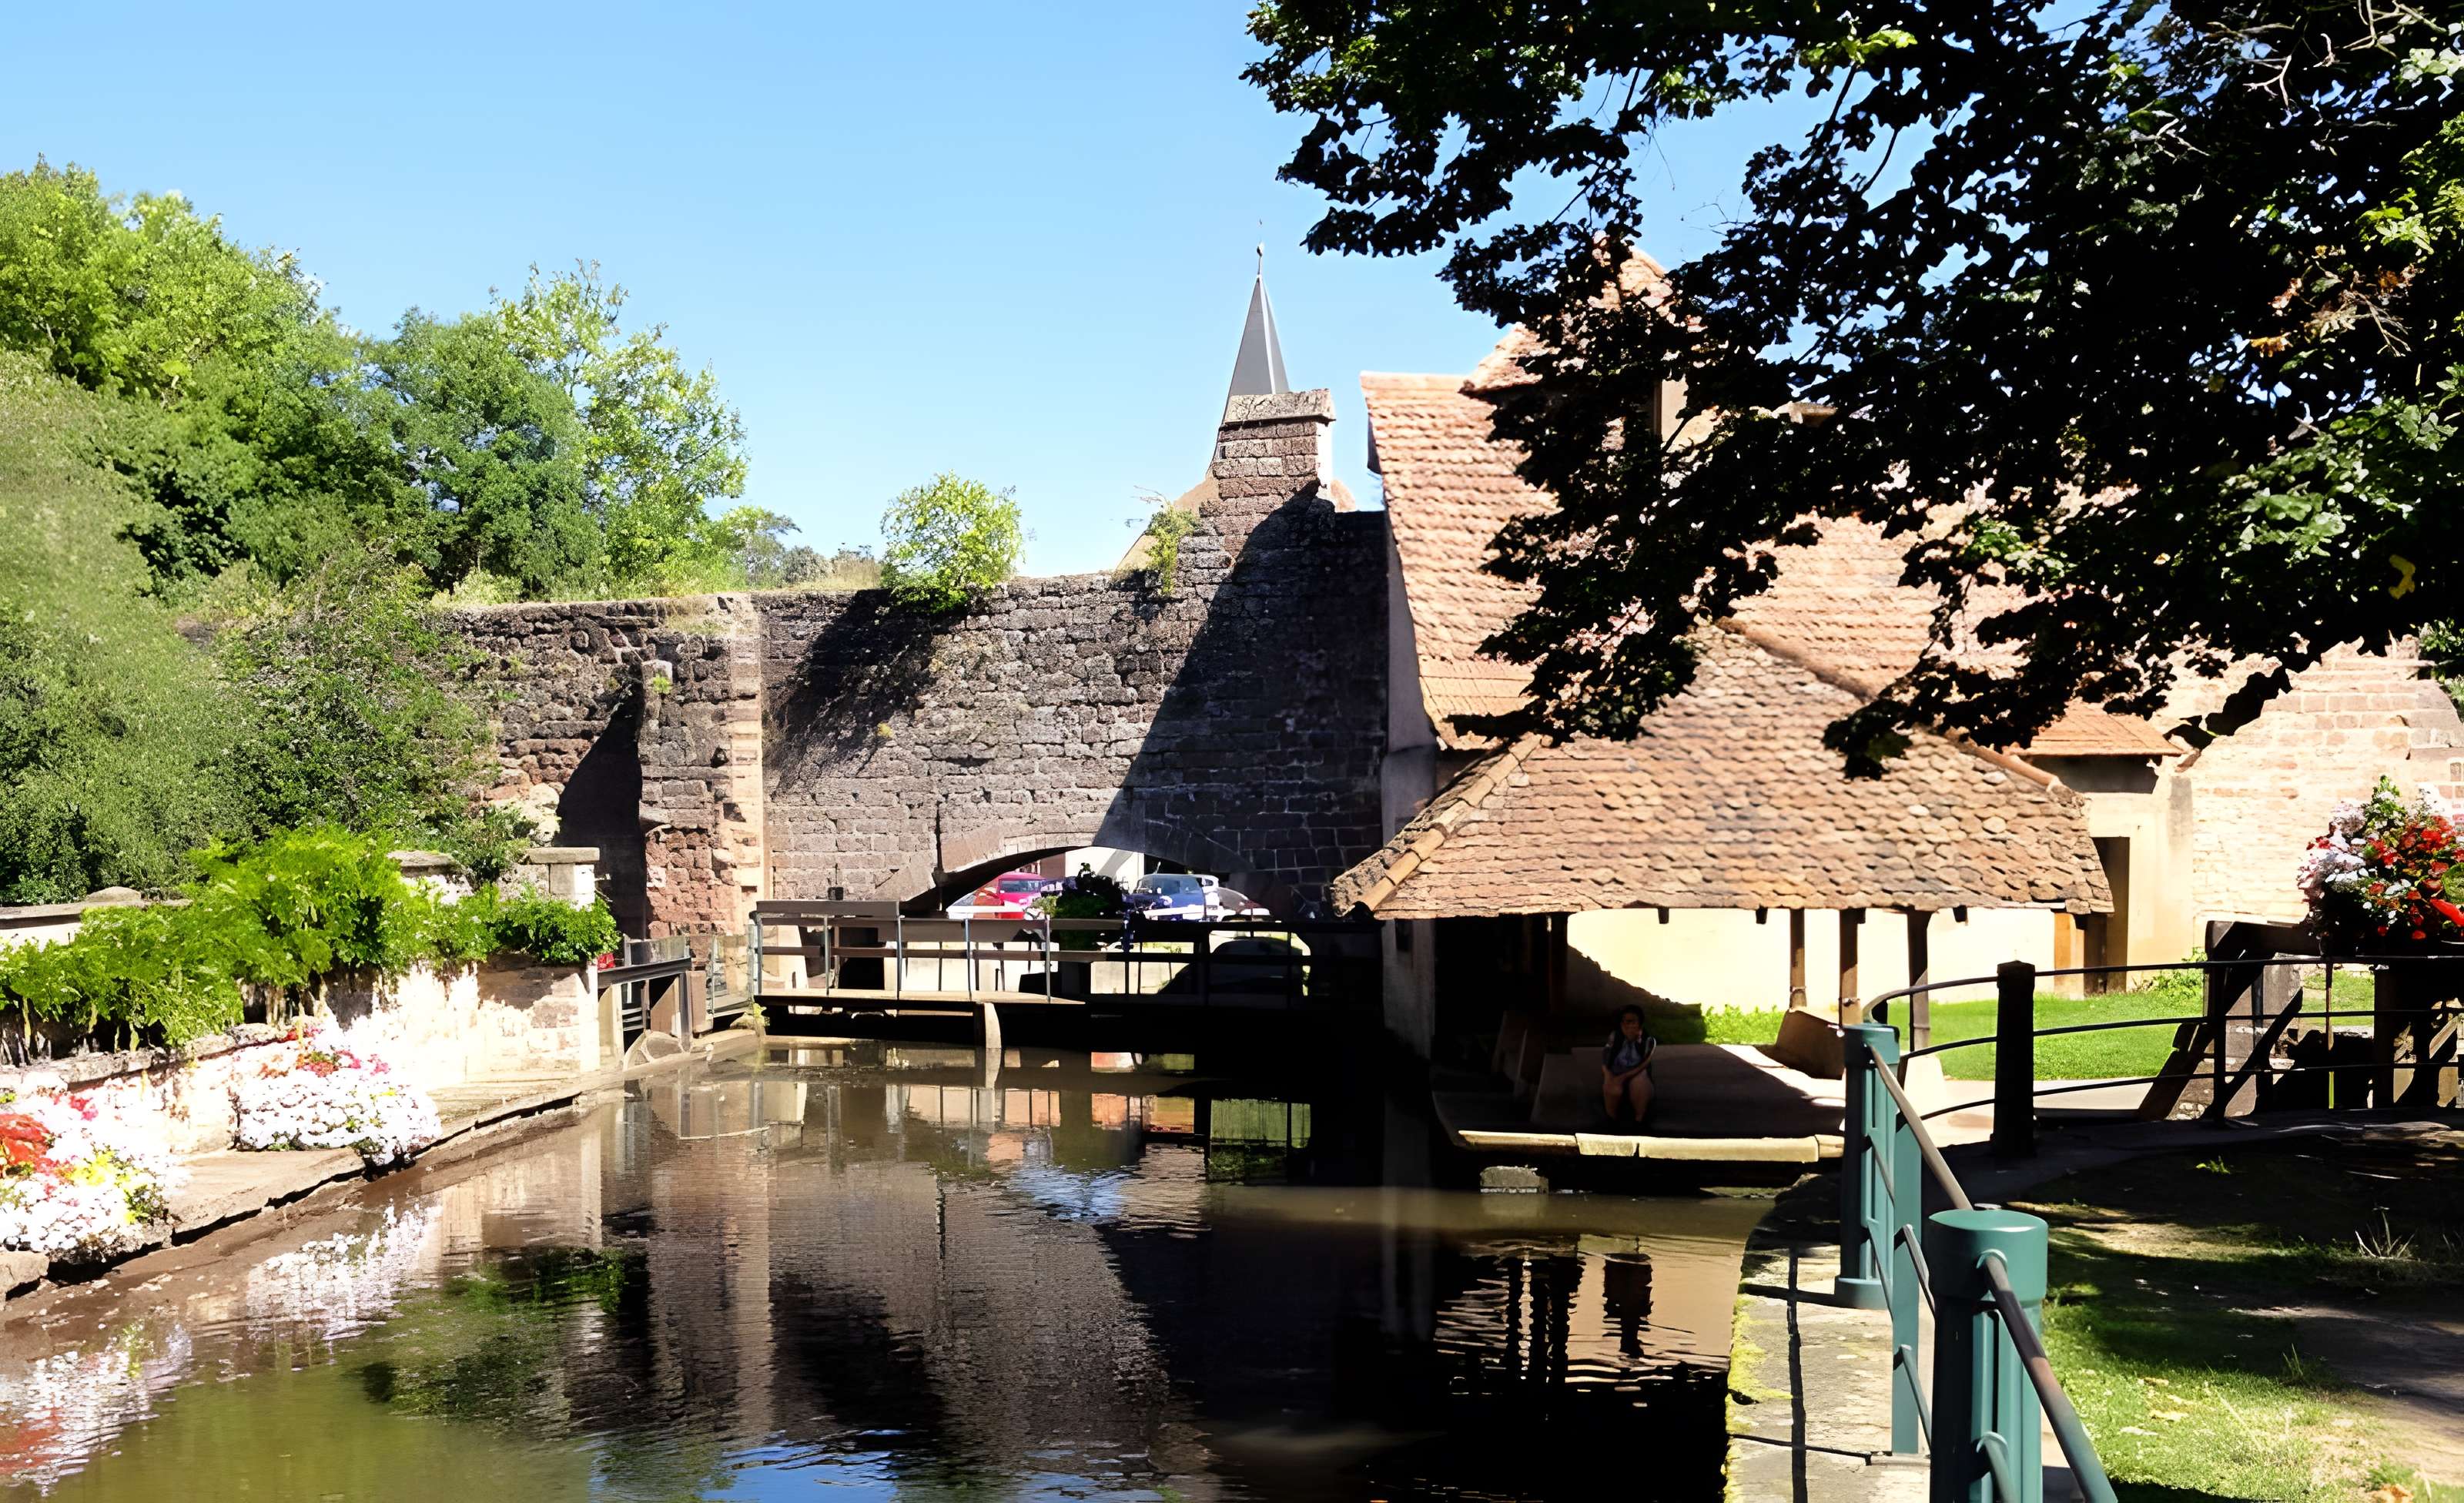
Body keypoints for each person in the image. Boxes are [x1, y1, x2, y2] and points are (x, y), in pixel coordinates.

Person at [1600, 1005, 1656, 1124]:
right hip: (1616, 1072)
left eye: (1632, 1022)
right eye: (1625, 1022)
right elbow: (1605, 1057)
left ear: (1640, 1024)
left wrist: (1622, 1078)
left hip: (1637, 1074)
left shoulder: (1648, 1040)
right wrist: (1608, 1076)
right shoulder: (1615, 1036)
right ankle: (1611, 1119)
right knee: (1611, 1087)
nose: (1628, 1025)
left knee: (1639, 1082)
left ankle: (1639, 1120)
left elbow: (1645, 1063)